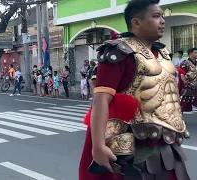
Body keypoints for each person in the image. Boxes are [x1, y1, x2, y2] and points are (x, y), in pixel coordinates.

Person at [79, 0, 190, 180]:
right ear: (136, 22)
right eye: (155, 16)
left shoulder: (163, 54)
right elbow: (101, 100)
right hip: (133, 146)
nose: (162, 21)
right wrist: (98, 145)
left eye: (162, 16)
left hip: (168, 143)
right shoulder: (119, 52)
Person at [178, 48, 197, 112]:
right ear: (190, 54)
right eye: (195, 53)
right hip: (188, 87)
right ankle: (179, 119)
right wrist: (185, 83)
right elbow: (181, 74)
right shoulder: (185, 63)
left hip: (196, 86)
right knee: (184, 104)